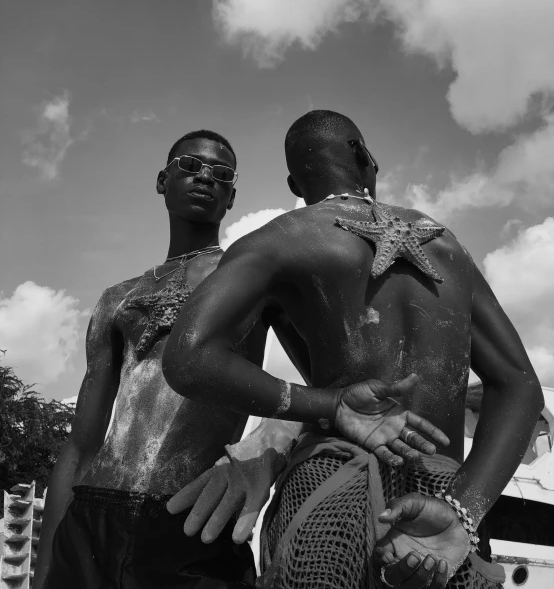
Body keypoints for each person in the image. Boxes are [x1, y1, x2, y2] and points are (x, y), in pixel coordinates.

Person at [34, 128, 444, 589]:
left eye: (221, 173)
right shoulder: (117, 298)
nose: (205, 177)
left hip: (196, 513)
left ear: (231, 197)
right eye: (190, 166)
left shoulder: (253, 276)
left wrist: (265, 447)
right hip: (91, 517)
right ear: (161, 180)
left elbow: (343, 390)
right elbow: (81, 446)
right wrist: (46, 565)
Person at [163, 110, 544, 589]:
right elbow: (522, 389)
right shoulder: (445, 244)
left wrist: (331, 404)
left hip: (327, 488)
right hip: (440, 503)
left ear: (293, 182)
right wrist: (461, 512)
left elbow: (187, 357)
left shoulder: (283, 239)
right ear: (365, 158)